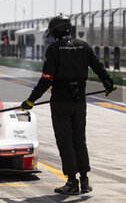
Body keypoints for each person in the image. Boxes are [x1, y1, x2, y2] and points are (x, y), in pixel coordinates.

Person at [20, 15, 116, 195]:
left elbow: (46, 80)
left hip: (60, 103)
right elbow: (98, 67)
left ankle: (72, 182)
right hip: (79, 102)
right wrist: (108, 84)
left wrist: (31, 100)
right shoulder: (84, 46)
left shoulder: (54, 49)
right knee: (79, 139)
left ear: (55, 32)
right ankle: (85, 181)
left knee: (65, 141)